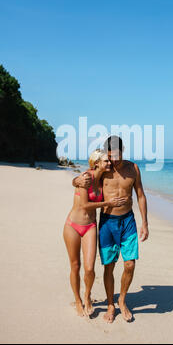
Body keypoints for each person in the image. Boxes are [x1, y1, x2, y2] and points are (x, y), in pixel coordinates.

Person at [72, 136, 149, 323]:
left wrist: (145, 223)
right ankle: (110, 304)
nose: (113, 160)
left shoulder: (133, 169)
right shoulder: (104, 169)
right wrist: (75, 181)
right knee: (110, 265)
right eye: (110, 156)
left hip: (128, 220)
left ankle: (122, 300)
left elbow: (140, 195)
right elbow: (82, 178)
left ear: (123, 151)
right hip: (107, 222)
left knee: (130, 264)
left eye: (117, 155)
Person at [63, 149, 128, 318]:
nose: (109, 163)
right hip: (73, 226)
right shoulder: (86, 177)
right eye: (106, 161)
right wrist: (108, 202)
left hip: (90, 226)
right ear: (97, 162)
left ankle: (87, 295)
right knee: (75, 266)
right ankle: (78, 300)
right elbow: (84, 205)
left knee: (90, 268)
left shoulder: (103, 180)